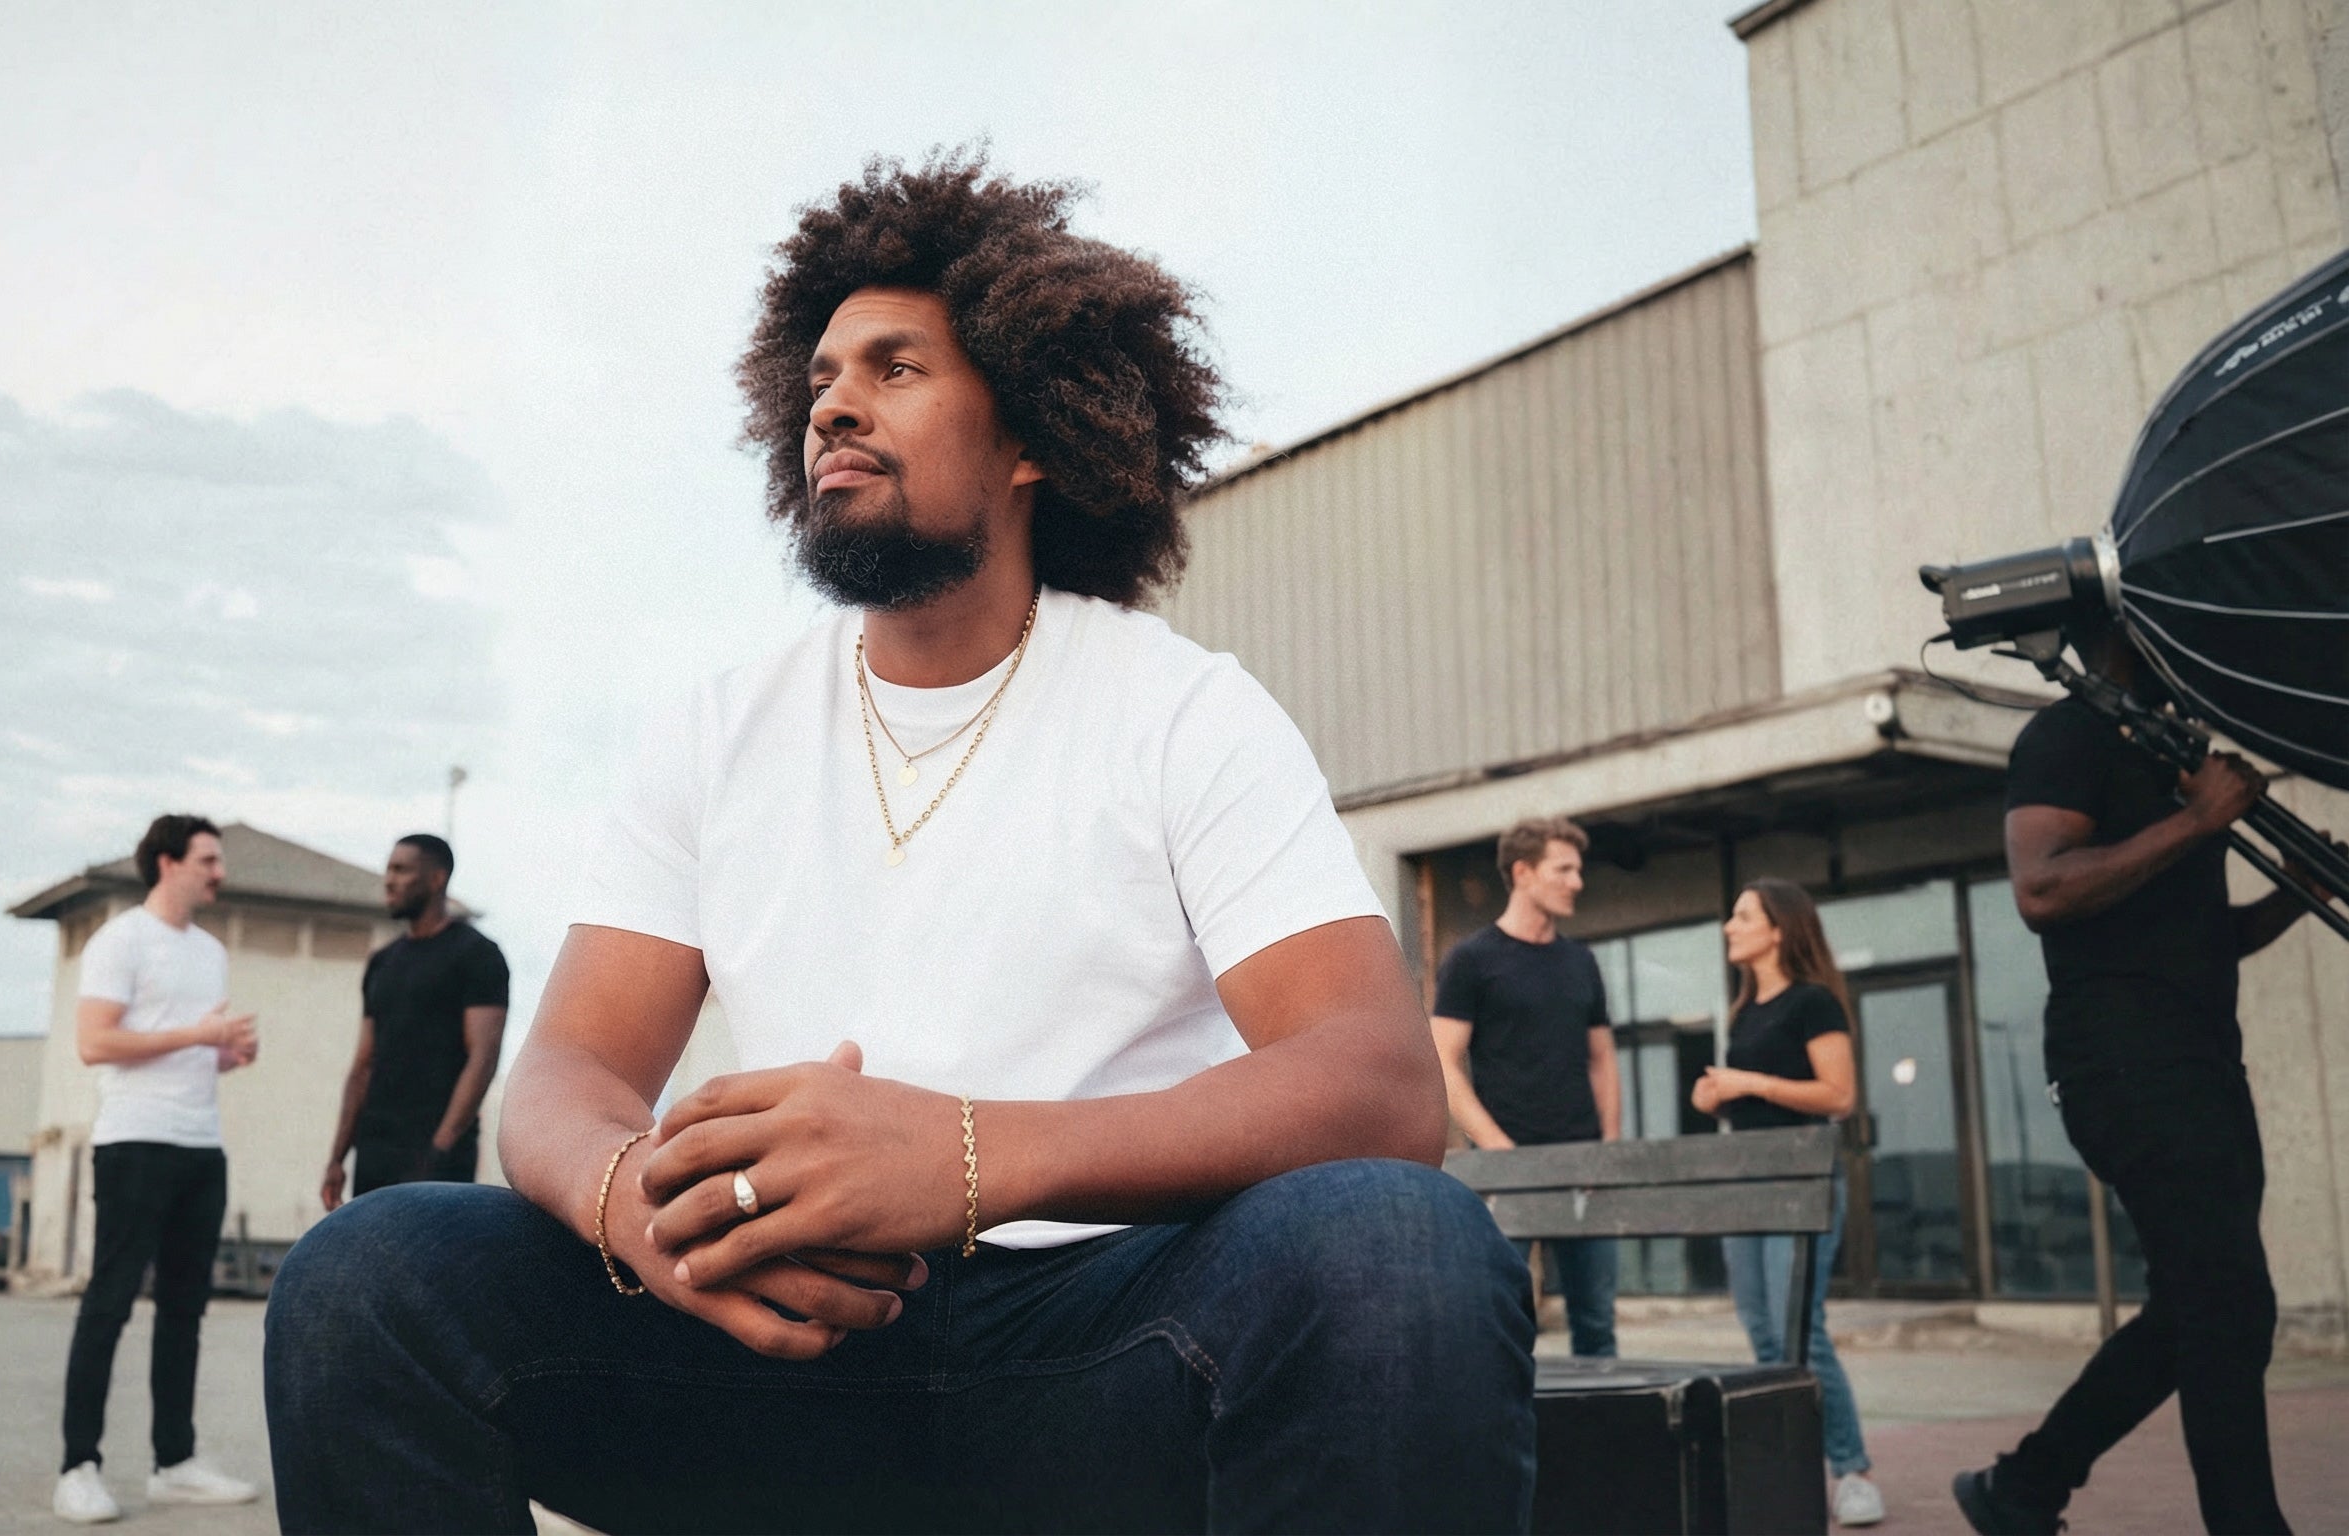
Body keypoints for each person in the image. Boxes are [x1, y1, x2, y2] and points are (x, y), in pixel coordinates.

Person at [263, 153, 1537, 1535]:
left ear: (1031, 435)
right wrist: (638, 1207)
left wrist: (971, 1158)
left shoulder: (1182, 709)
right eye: (819, 379)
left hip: (1107, 1344)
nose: (834, 405)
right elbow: (567, 1071)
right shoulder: (720, 730)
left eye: (896, 368)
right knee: (366, 1278)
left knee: (1394, 1246)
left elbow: (1378, 1083)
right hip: (779, 1345)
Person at [1953, 624, 2324, 1536]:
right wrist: (2200, 820)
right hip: (2123, 1063)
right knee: (2224, 1301)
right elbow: (2041, 890)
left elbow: (2200, 937)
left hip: (2200, 1059)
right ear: (2121, 633)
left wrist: (2296, 891)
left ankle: (2023, 1489)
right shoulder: (2065, 737)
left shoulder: (2169, 754)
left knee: (2209, 1302)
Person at [53, 814, 264, 1525]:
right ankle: (77, 1468)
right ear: (168, 863)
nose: (220, 873)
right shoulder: (120, 941)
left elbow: (191, 1050)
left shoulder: (210, 952)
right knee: (109, 1303)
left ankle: (175, 1463)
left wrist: (226, 1054)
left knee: (184, 1310)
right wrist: (199, 1033)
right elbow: (94, 1042)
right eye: (209, 860)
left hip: (200, 1146)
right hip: (133, 1143)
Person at [1696, 878, 1880, 1528]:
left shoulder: (1813, 1002)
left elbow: (1839, 1095)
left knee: (1800, 1330)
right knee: (1763, 1331)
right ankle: (1788, 1470)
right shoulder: (1746, 1010)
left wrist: (1750, 1081)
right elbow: (1754, 1102)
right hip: (1747, 1184)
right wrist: (1716, 1095)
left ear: (1779, 930)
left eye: (1742, 916)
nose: (1729, 926)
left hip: (1802, 1186)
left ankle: (1851, 1471)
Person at [1432, 816, 1623, 1357]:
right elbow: (1442, 1061)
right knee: (1504, 1324)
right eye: (1563, 870)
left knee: (1596, 1324)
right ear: (1522, 873)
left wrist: (1608, 1148)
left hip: (1582, 1165)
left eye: (1578, 870)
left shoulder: (1581, 962)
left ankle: (1597, 1417)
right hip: (1505, 1169)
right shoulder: (1472, 960)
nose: (1577, 882)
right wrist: (1497, 1148)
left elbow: (1602, 1060)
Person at [321, 834, 511, 1210]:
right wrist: (337, 1157)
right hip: (375, 1152)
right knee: (372, 1248)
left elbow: (483, 1058)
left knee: (435, 1250)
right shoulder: (382, 962)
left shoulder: (477, 955)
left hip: (437, 1158)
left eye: (401, 870)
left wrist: (441, 1147)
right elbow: (363, 1064)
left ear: (437, 879)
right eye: (388, 870)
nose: (389, 880)